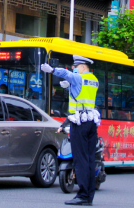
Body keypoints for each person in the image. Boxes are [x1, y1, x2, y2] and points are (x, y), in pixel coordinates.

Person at [41, 55, 99, 206]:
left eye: (75, 66)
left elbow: (67, 74)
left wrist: (52, 69)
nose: (74, 69)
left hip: (79, 123)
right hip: (91, 122)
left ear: (82, 66)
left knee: (80, 160)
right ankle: (89, 195)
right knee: (89, 160)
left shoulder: (79, 78)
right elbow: (82, 93)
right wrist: (71, 86)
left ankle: (83, 195)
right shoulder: (94, 79)